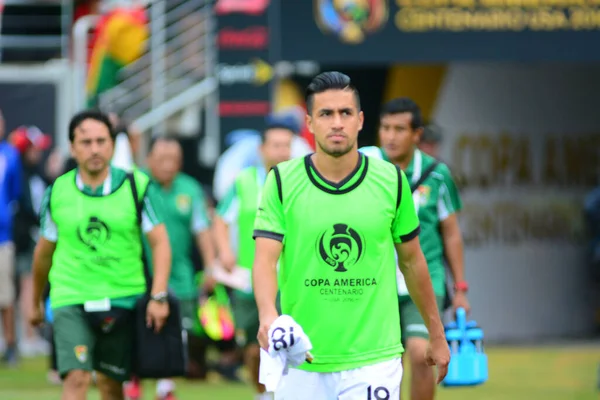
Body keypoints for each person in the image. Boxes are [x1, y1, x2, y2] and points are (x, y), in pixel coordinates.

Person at [252, 72, 450, 399]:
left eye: (345, 113)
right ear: (310, 123)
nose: (336, 123)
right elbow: (265, 260)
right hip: (303, 358)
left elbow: (413, 262)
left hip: (374, 359)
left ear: (360, 121)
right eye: (326, 114)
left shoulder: (391, 181)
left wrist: (437, 333)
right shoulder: (282, 181)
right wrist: (267, 315)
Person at [29, 110, 172, 400]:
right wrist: (34, 301)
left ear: (112, 144)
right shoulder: (57, 191)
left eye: (101, 141)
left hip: (123, 297)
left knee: (110, 384)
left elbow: (160, 244)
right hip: (71, 296)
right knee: (77, 378)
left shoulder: (136, 186)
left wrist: (158, 296)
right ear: (72, 147)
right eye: (85, 142)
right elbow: (44, 253)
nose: (94, 149)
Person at [360, 97, 469, 400]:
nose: (391, 136)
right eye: (385, 128)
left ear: (417, 134)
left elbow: (451, 234)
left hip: (423, 274)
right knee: (381, 361)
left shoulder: (437, 174)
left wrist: (460, 288)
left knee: (421, 352)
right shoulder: (365, 165)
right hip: (376, 279)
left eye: (399, 129)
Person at [124, 136, 216, 400]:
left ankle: (165, 386)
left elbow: (202, 231)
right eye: (162, 159)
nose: (168, 165)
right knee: (136, 326)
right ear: (148, 159)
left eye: (174, 160)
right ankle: (134, 378)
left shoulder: (190, 189)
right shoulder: (135, 184)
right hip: (138, 272)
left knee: (175, 330)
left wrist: (210, 266)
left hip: (180, 274)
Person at [213, 115, 295, 400]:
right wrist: (225, 250)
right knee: (253, 346)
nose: (282, 151)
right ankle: (263, 394)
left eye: (287, 146)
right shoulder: (244, 182)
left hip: (292, 278)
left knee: (291, 342)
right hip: (251, 277)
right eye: (276, 145)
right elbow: (221, 220)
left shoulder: (301, 182)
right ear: (262, 149)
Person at [9, 126, 53, 358]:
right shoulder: (19, 173)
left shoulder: (37, 173)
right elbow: (24, 206)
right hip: (25, 238)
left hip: (38, 235)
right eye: (35, 148)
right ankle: (27, 335)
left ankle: (30, 334)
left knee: (33, 284)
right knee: (27, 285)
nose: (39, 152)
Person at [0, 109, 22, 367]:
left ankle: (11, 345)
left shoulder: (10, 154)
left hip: (3, 236)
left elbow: (15, 193)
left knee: (6, 296)